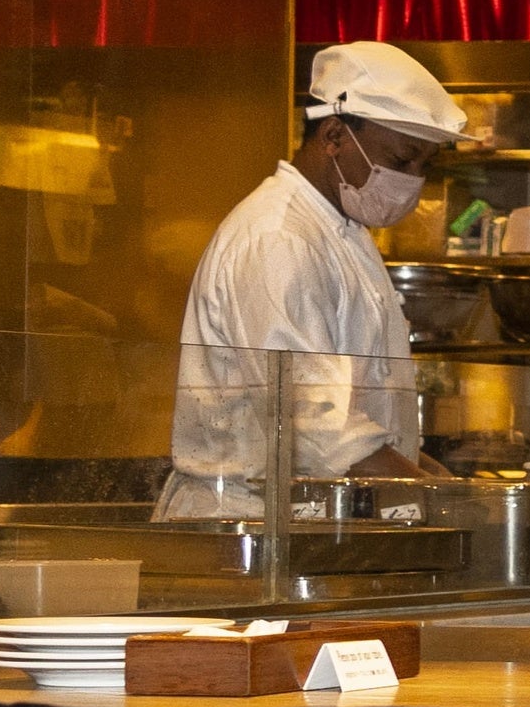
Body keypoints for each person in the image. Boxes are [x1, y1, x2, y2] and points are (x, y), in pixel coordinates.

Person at [158, 40, 460, 519]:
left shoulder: (342, 232)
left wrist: (435, 480)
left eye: (425, 165)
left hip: (303, 516)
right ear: (335, 135)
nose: (412, 180)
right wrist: (428, 494)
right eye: (403, 160)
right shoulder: (279, 237)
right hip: (245, 524)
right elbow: (309, 419)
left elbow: (350, 414)